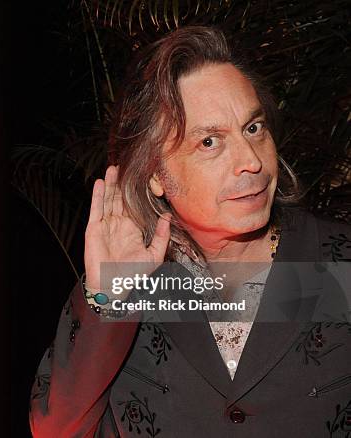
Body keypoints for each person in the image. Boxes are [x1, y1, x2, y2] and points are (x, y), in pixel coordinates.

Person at [29, 26, 351, 437]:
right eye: (209, 142)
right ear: (156, 175)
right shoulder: (131, 284)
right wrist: (110, 294)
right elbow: (57, 428)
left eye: (253, 128)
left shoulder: (338, 263)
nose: (251, 160)